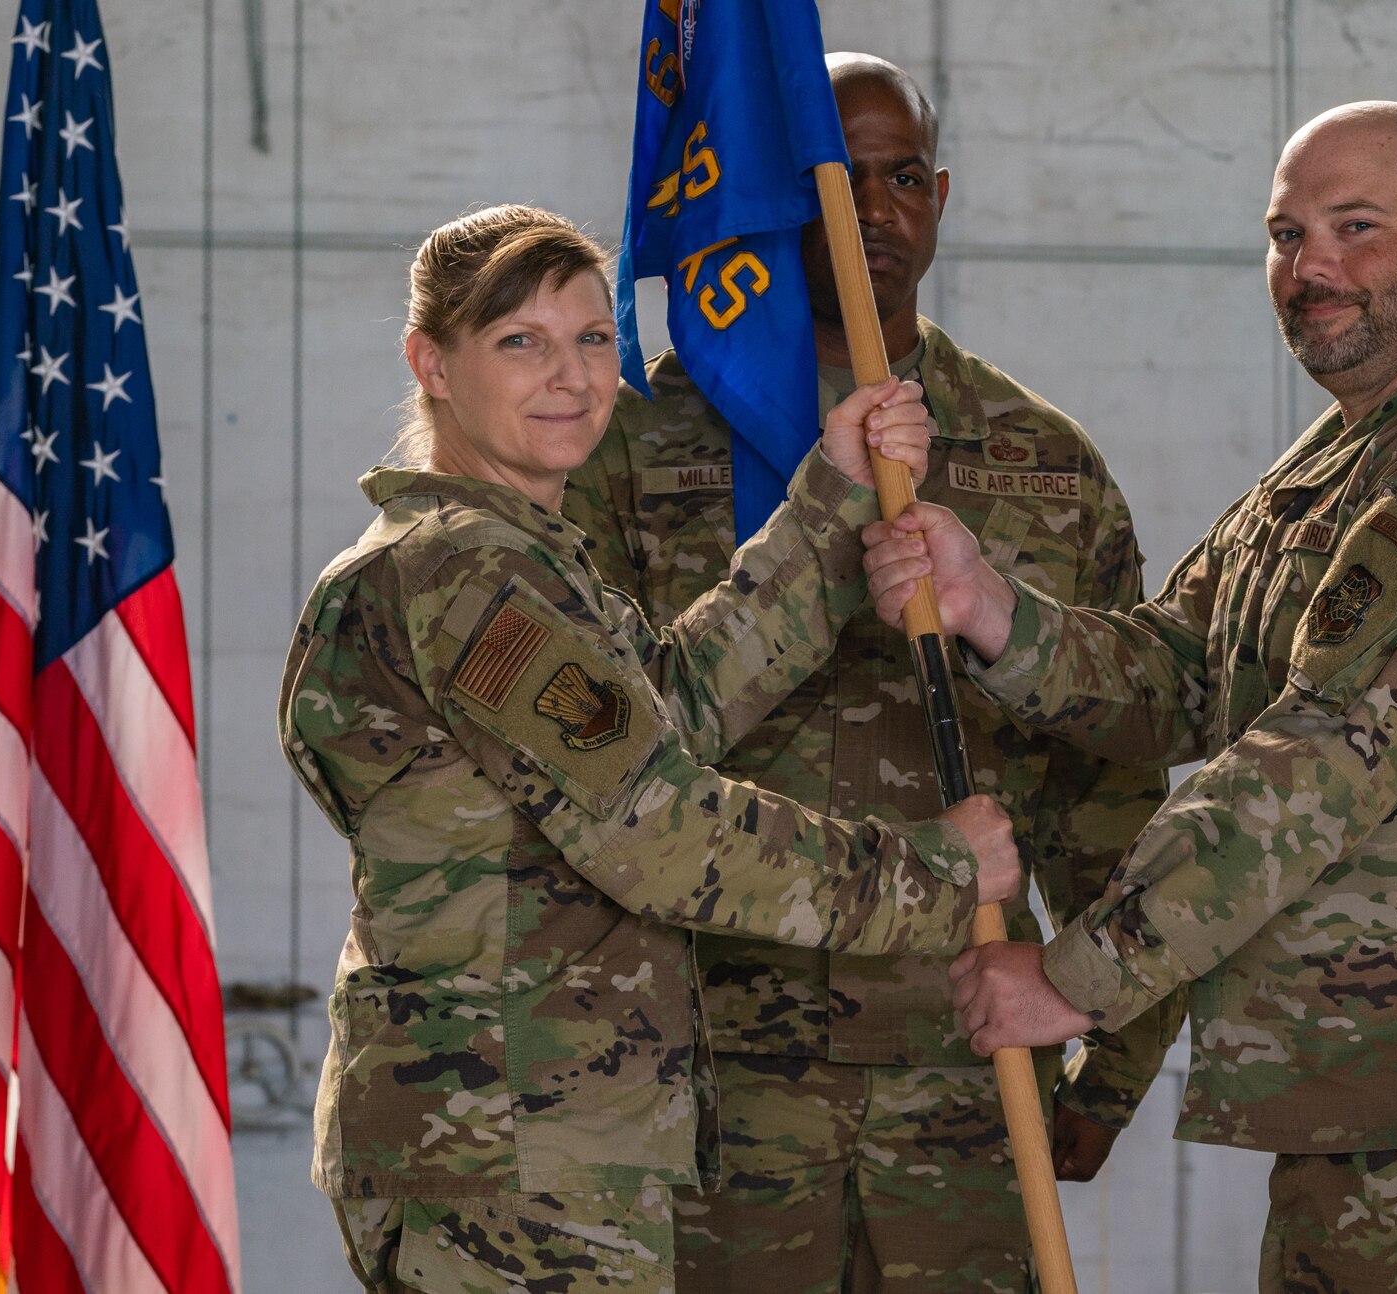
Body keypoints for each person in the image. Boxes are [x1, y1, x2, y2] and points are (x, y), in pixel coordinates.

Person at [861, 103, 1397, 1293]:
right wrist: (989, 609)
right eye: (1284, 234)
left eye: (1354, 227)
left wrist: (1072, 980)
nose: (1309, 267)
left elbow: (1307, 769)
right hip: (1378, 1111)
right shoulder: (1332, 470)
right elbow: (1179, 673)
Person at [279, 204, 1025, 1294]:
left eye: (591, 339)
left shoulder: (517, 559)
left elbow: (664, 709)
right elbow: (659, 828)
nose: (571, 377)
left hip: (538, 1126)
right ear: (430, 363)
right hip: (511, 1141)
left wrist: (830, 496)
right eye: (518, 341)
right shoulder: (467, 574)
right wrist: (938, 873)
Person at [565, 53, 1180, 1294]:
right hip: (710, 1089)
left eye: (902, 178)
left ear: (939, 197)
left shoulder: (1040, 462)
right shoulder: (645, 448)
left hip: (962, 1080)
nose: (874, 212)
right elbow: (598, 762)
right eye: (839, 180)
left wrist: (1108, 1063)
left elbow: (1113, 778)